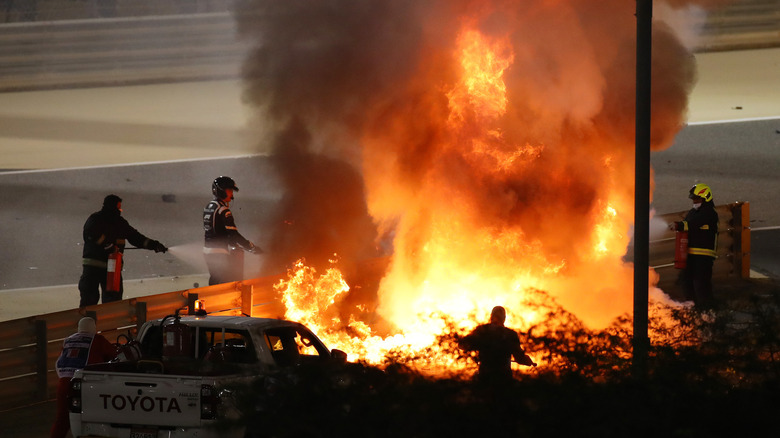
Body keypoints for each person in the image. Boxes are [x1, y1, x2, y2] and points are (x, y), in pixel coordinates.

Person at [79, 194, 168, 307]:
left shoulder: (120, 223)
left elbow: (136, 238)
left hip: (112, 269)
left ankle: (108, 324)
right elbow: (90, 234)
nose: (120, 210)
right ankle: (88, 323)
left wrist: (154, 245)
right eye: (119, 207)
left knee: (112, 303)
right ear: (113, 207)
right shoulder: (96, 219)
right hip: (94, 268)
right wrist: (108, 246)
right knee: (90, 299)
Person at [50, 317, 117, 438]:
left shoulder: (68, 340)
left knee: (62, 419)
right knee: (96, 418)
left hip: (64, 383)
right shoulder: (98, 339)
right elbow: (115, 355)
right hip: (87, 384)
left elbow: (59, 361)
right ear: (94, 329)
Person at [203, 176, 261, 285]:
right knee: (225, 285)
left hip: (207, 251)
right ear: (221, 190)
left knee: (215, 281)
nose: (232, 194)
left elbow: (217, 230)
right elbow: (234, 234)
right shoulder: (223, 210)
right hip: (219, 252)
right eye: (229, 190)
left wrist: (232, 243)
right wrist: (251, 247)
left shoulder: (209, 206)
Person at [669, 183, 719, 307]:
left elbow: (693, 224)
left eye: (697, 199)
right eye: (693, 199)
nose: (695, 201)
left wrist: (679, 225)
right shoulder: (693, 212)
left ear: (705, 198)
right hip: (691, 254)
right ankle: (693, 310)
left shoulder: (709, 213)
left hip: (704, 256)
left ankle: (708, 312)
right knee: (686, 283)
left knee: (701, 285)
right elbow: (688, 222)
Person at [460, 306, 536, 385]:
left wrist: (475, 346)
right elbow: (519, 358)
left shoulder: (482, 330)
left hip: (484, 378)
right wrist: (527, 360)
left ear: (491, 317)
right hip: (504, 379)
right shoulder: (511, 334)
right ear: (504, 318)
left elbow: (462, 345)